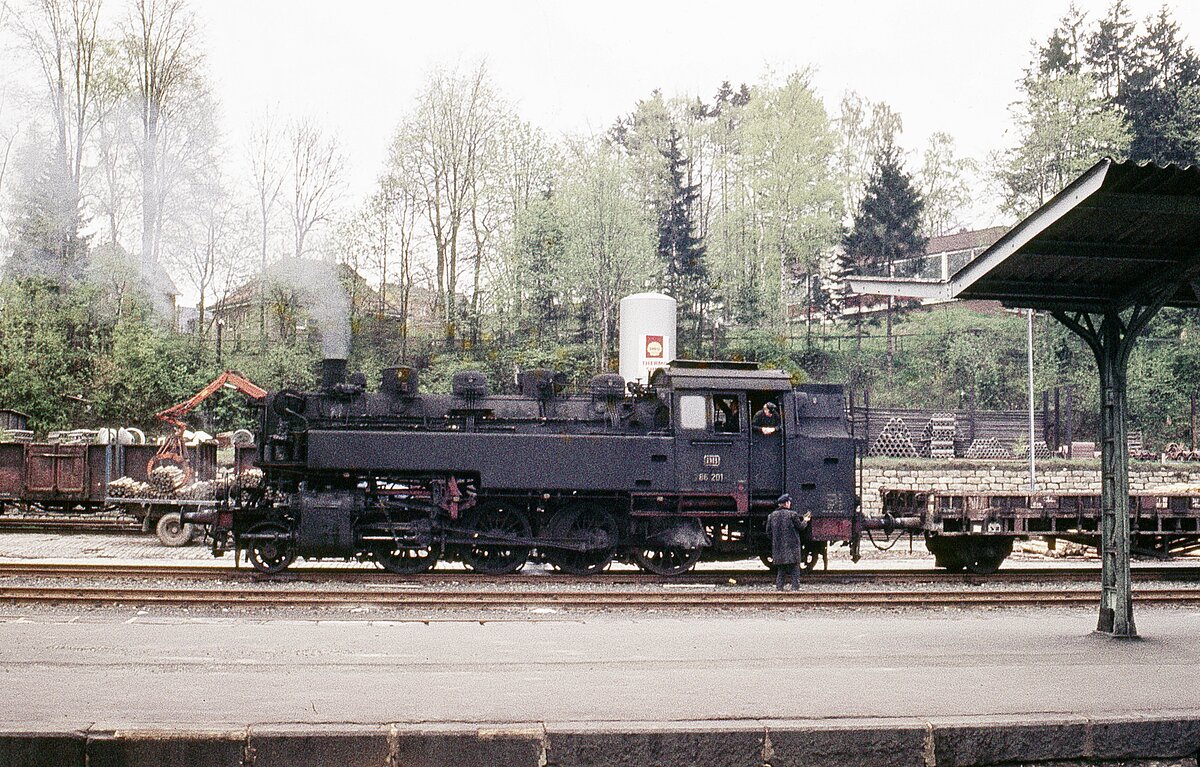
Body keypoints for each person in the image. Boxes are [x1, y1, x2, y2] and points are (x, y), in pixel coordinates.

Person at [766, 494, 811, 591]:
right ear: (786, 503)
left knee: (781, 569)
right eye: (789, 502)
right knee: (795, 568)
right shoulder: (792, 514)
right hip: (792, 546)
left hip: (778, 547)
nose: (790, 503)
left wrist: (775, 541)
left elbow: (768, 532)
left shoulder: (771, 516)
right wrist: (805, 520)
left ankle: (779, 587)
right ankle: (795, 587)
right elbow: (801, 527)